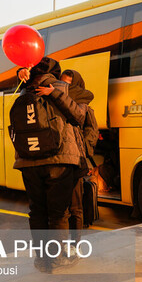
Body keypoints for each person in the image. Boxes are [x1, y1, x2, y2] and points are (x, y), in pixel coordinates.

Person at [15, 57, 87, 272]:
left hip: (28, 161)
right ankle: (55, 260)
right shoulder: (63, 87)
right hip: (59, 159)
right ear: (56, 72)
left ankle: (41, 259)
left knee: (37, 212)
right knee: (58, 214)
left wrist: (20, 73)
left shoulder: (23, 91)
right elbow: (79, 117)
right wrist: (56, 93)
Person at [59, 69, 97, 237]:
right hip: (61, 158)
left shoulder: (84, 106)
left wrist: (84, 150)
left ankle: (75, 243)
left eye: (69, 83)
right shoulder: (58, 103)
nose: (65, 87)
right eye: (63, 83)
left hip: (77, 159)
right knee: (62, 207)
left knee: (75, 206)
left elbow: (92, 131)